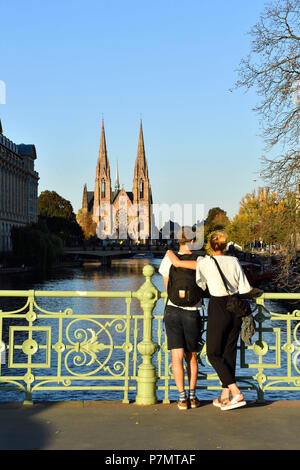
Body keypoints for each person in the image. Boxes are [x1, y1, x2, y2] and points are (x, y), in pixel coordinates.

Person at [167, 231, 258, 411]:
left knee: (213, 353)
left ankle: (236, 392)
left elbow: (190, 274)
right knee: (228, 351)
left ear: (210, 245)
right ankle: (225, 395)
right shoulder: (234, 261)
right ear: (224, 246)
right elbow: (245, 287)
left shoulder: (206, 262)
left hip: (218, 306)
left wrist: (169, 253)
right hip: (235, 307)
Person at [159, 226, 204, 410]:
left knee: (176, 357)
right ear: (193, 241)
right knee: (191, 356)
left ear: (179, 240)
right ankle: (193, 397)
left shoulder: (168, 259)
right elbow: (203, 285)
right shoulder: (200, 259)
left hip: (172, 309)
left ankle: (181, 398)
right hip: (192, 311)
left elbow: (166, 286)